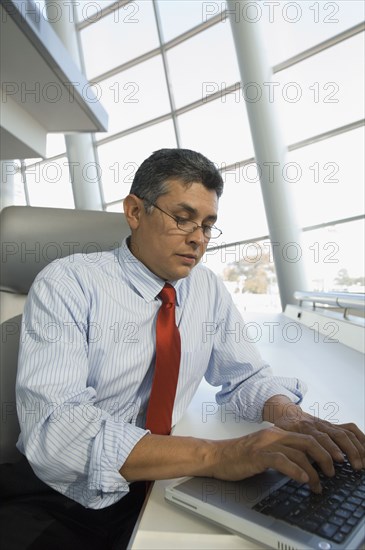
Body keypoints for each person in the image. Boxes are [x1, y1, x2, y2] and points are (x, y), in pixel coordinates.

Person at [2, 148, 364, 549]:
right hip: (64, 495)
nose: (198, 238)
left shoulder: (205, 287)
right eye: (183, 218)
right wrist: (221, 455)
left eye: (208, 225)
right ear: (136, 212)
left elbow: (244, 375)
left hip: (161, 480)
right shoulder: (68, 284)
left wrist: (292, 416)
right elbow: (59, 433)